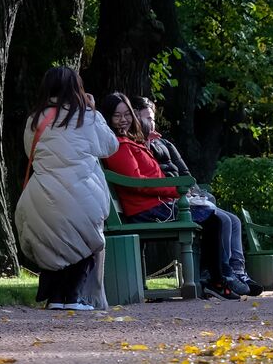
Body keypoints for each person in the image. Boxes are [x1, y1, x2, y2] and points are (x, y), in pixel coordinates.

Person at [98, 92, 251, 300]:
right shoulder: (118, 146)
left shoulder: (130, 141)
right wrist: (174, 189)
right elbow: (138, 183)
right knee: (215, 219)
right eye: (117, 116)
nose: (123, 120)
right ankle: (216, 279)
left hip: (157, 204)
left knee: (217, 218)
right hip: (147, 209)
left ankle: (218, 277)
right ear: (108, 118)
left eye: (127, 114)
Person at [14, 67, 117, 311]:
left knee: (52, 242)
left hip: (41, 193)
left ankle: (55, 298)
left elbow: (31, 153)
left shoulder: (34, 119)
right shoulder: (85, 116)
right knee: (82, 242)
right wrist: (94, 111)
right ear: (77, 88)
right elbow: (110, 146)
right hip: (80, 193)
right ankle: (72, 297)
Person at [136, 98, 261, 297]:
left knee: (233, 220)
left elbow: (183, 171)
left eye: (152, 119)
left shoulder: (163, 143)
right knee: (221, 219)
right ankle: (220, 274)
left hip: (181, 194)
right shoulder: (141, 146)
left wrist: (192, 189)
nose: (150, 123)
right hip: (170, 200)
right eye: (145, 119)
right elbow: (152, 179)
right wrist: (182, 190)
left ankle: (237, 271)